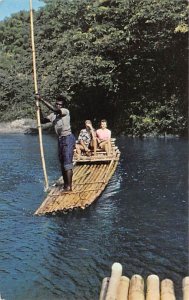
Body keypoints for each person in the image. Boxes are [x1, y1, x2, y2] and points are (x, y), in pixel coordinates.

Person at [36, 94, 75, 191]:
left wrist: (41, 99)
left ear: (63, 106)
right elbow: (42, 121)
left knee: (67, 163)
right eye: (57, 104)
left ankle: (69, 187)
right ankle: (66, 185)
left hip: (68, 138)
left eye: (60, 104)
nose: (58, 106)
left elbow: (56, 110)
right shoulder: (53, 116)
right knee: (62, 163)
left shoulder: (65, 111)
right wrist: (39, 107)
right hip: (60, 139)